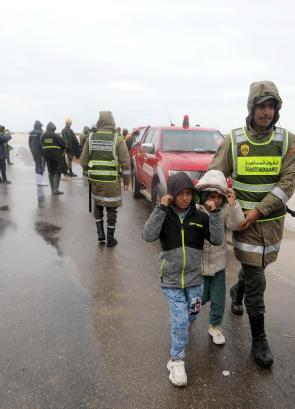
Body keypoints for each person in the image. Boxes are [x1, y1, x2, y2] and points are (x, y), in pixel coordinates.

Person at [209, 80, 295, 367]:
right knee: (257, 278)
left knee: (258, 267)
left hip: (271, 223)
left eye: (272, 106)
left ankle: (238, 291)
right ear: (251, 107)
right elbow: (215, 175)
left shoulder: (286, 140)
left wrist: (260, 210)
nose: (267, 111)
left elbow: (289, 182)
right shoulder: (234, 140)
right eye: (262, 105)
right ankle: (259, 339)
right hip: (243, 224)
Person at [142, 172, 224, 386]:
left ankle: (180, 331)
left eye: (188, 193)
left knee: (193, 313)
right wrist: (161, 207)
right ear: (172, 194)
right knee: (180, 320)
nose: (185, 198)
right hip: (171, 280)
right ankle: (176, 360)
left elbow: (217, 239)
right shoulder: (164, 215)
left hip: (195, 280)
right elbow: (148, 235)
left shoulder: (200, 217)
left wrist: (214, 214)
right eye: (180, 194)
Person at [196, 170, 244, 345]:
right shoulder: (196, 210)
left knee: (218, 298)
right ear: (204, 195)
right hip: (198, 265)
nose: (215, 200)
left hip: (218, 264)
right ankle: (188, 317)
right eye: (211, 195)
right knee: (197, 297)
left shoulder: (225, 209)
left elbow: (236, 225)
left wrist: (234, 205)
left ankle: (215, 326)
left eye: (219, 196)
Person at [80, 111, 131, 247]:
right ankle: (110, 239)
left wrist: (91, 171)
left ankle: (100, 234)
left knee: (98, 204)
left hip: (96, 181)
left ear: (99, 122)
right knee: (111, 209)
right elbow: (126, 163)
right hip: (112, 183)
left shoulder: (90, 138)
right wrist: (127, 181)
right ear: (112, 123)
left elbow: (83, 162)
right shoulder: (118, 139)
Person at [40, 121, 67, 195]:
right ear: (53, 128)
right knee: (57, 172)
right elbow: (64, 145)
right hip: (56, 156)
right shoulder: (56, 135)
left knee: (50, 171)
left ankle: (52, 189)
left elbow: (41, 145)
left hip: (46, 157)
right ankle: (56, 189)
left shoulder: (42, 136)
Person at [28, 120, 47, 186]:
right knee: (40, 166)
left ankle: (38, 181)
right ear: (39, 126)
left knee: (37, 165)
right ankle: (40, 182)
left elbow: (29, 143)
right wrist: (44, 152)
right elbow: (43, 143)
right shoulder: (40, 133)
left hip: (34, 151)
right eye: (41, 126)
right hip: (40, 152)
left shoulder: (31, 132)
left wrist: (31, 150)